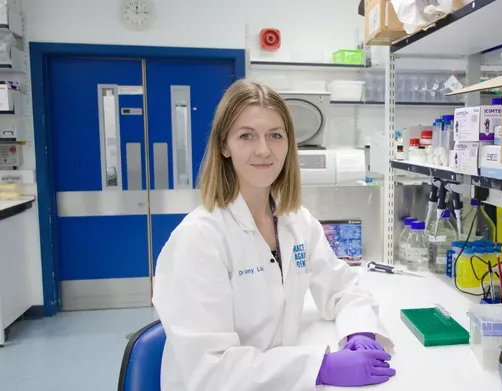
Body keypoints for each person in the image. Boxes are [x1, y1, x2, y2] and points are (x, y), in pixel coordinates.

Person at [152, 79, 396, 391]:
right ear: (224, 145)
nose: (264, 150)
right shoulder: (197, 239)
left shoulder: (296, 222)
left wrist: (361, 333)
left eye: (275, 136)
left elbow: (342, 288)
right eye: (246, 136)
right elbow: (211, 370)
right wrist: (320, 367)